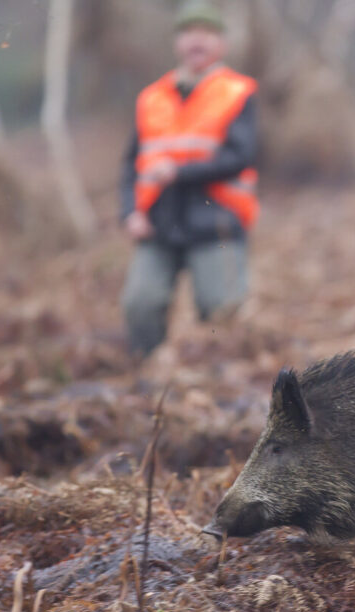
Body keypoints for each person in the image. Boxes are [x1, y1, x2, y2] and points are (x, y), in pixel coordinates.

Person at [119, 0, 258, 356]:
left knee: (221, 314)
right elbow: (130, 164)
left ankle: (218, 383)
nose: (197, 42)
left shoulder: (238, 92)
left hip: (216, 220)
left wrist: (178, 172)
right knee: (140, 304)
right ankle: (145, 374)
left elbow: (240, 156)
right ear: (176, 43)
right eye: (189, 34)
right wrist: (129, 213)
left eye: (206, 34)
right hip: (158, 222)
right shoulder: (150, 98)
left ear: (221, 44)